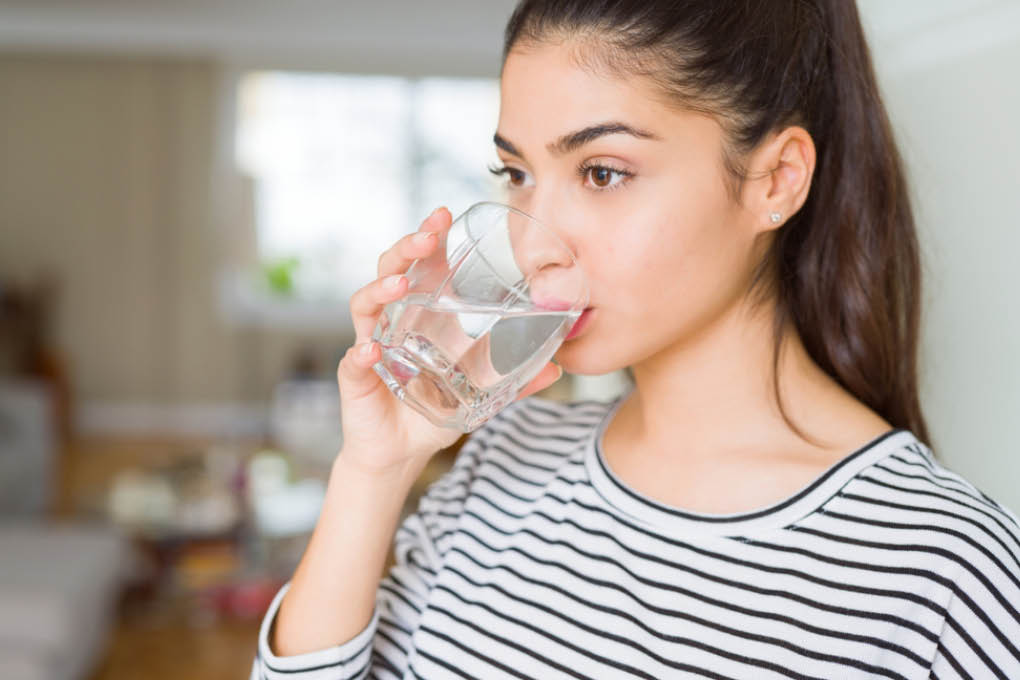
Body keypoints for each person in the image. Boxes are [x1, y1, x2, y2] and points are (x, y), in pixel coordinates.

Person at [250, 1, 1020, 678]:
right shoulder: (503, 456)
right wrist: (375, 470)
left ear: (776, 179)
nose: (534, 245)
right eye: (516, 174)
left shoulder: (944, 574)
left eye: (602, 173)